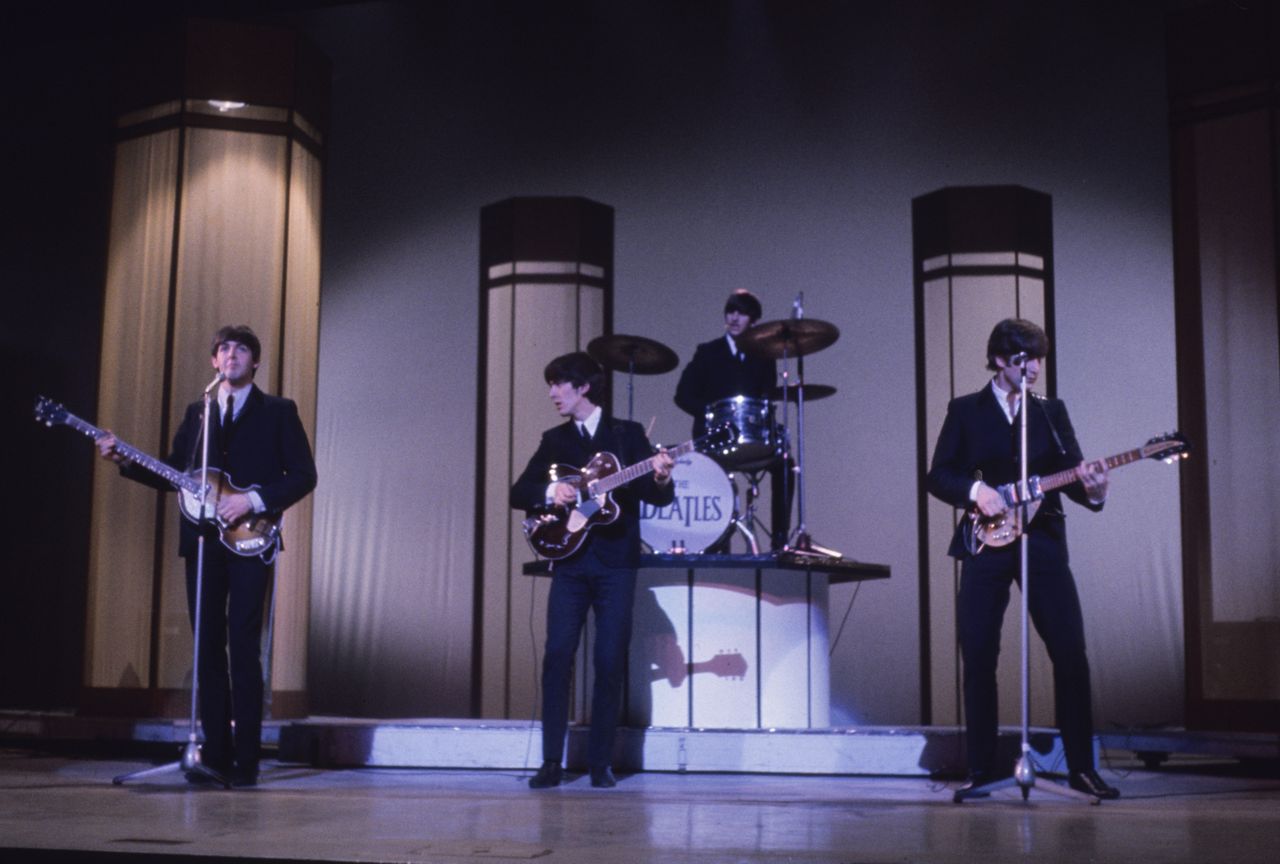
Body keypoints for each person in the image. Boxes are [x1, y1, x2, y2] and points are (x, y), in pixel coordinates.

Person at [98, 324, 317, 788]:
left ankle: (247, 760)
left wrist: (252, 500)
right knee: (208, 649)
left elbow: (303, 475)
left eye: (241, 349)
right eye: (223, 349)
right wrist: (124, 460)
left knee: (242, 647)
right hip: (201, 540)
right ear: (214, 363)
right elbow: (176, 473)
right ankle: (214, 754)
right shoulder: (199, 412)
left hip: (249, 540)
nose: (231, 355)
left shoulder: (278, 411)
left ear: (255, 361)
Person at [926, 318, 1119, 800]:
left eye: (1038, 359)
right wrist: (977, 491)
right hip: (985, 542)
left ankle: (1081, 768)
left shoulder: (1051, 412)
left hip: (1042, 540)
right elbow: (939, 475)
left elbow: (1072, 478)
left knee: (1071, 652)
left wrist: (1093, 491)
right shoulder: (965, 410)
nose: (1033, 368)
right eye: (1024, 359)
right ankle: (981, 769)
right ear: (998, 360)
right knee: (978, 654)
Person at [511, 352, 674, 789]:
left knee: (607, 661)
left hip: (616, 564)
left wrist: (659, 476)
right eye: (551, 385)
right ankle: (550, 761)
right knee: (557, 656)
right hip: (569, 563)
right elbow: (518, 491)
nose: (551, 393)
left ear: (583, 387)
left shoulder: (628, 435)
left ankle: (601, 763)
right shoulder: (554, 440)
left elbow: (656, 497)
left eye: (558, 385)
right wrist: (553, 489)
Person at [673, 289, 791, 550]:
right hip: (712, 442)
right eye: (731, 311)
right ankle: (717, 543)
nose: (735, 318)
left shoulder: (763, 357)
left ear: (754, 321)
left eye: (743, 313)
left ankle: (780, 539)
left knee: (785, 463)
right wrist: (709, 414)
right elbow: (682, 395)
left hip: (749, 441)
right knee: (714, 477)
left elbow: (764, 399)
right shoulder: (707, 352)